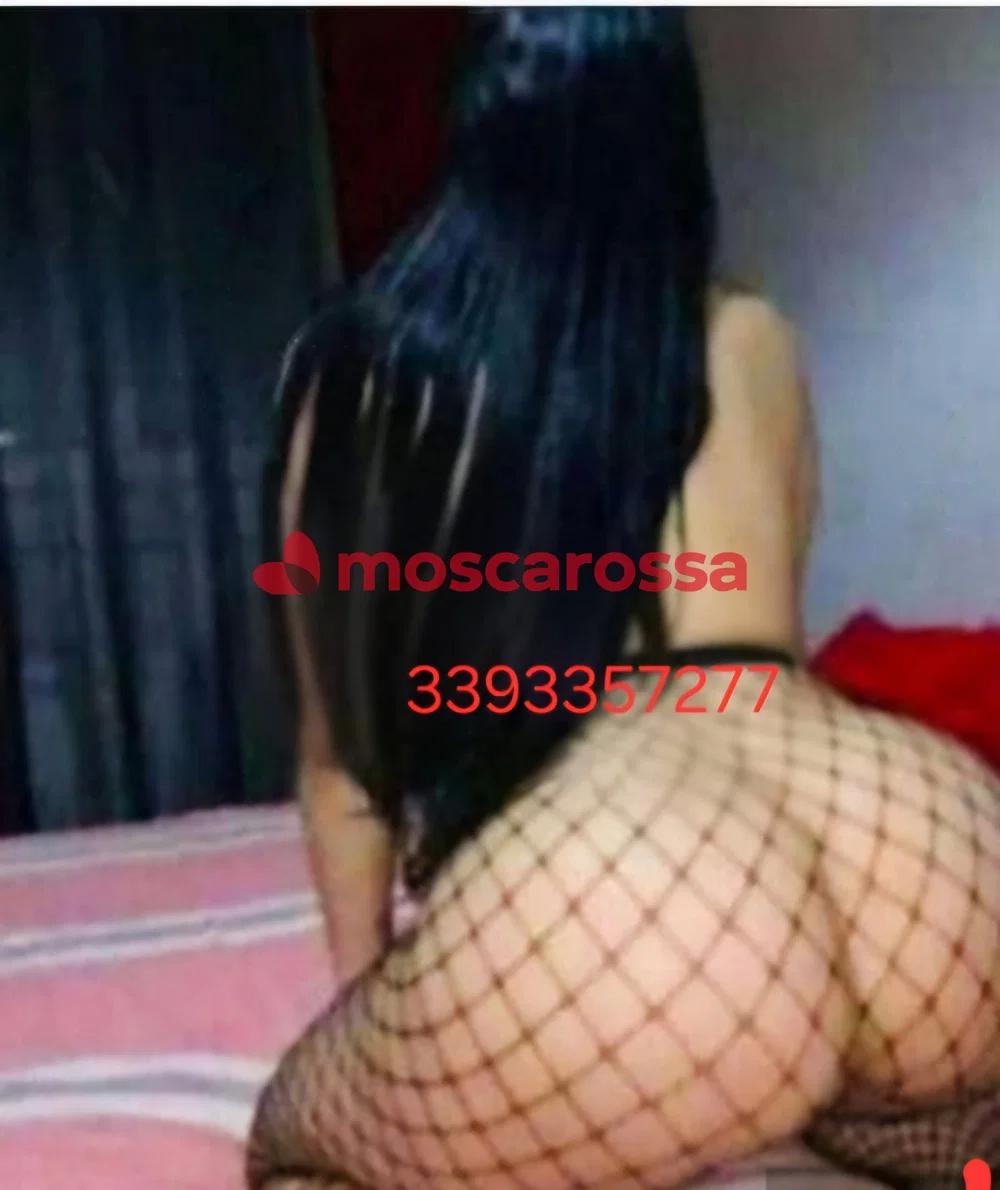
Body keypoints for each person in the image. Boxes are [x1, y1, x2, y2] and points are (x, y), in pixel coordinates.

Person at [248, 10, 999, 1188]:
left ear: (474, 121)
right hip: (924, 840)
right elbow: (772, 641)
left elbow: (344, 764)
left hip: (633, 896)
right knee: (931, 1134)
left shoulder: (369, 361)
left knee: (294, 1137)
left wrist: (379, 1010)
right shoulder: (754, 335)